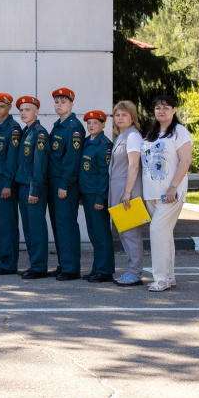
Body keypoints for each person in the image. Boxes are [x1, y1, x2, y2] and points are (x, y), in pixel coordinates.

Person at [140, 95, 193, 292]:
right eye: (157, 108)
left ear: (174, 110)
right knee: (165, 234)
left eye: (165, 107)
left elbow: (185, 161)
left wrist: (173, 187)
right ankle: (169, 277)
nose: (161, 111)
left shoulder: (179, 131)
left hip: (170, 192)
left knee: (156, 231)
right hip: (151, 193)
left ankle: (160, 279)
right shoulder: (151, 134)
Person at [47, 87, 85, 281]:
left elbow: (71, 159)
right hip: (54, 182)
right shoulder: (59, 125)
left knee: (67, 225)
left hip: (65, 183)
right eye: (56, 102)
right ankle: (64, 264)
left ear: (71, 104)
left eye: (63, 102)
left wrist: (64, 184)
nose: (59, 105)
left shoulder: (74, 127)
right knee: (58, 225)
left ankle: (71, 268)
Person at [109, 100, 145, 287]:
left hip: (127, 192)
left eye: (124, 114)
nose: (120, 118)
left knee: (131, 233)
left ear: (132, 117)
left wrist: (127, 192)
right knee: (124, 233)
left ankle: (135, 273)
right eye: (117, 115)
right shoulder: (122, 136)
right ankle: (132, 270)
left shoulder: (132, 137)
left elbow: (134, 165)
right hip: (119, 192)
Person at [14, 96, 50, 279]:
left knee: (36, 227)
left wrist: (34, 190)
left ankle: (39, 266)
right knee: (28, 227)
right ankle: (34, 263)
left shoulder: (39, 133)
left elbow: (39, 165)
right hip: (22, 186)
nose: (23, 113)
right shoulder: (25, 131)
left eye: (27, 110)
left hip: (32, 188)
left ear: (36, 112)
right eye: (21, 110)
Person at [0, 93, 22, 275]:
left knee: (7, 222)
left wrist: (7, 184)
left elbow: (11, 159)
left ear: (9, 107)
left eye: (1, 106)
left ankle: (9, 263)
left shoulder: (13, 128)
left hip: (5, 181)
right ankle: (3, 260)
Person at [79, 110, 115, 282]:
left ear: (103, 125)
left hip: (96, 196)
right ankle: (97, 268)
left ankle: (105, 270)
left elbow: (104, 174)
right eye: (89, 123)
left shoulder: (104, 145)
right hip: (87, 194)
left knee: (101, 233)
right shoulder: (87, 142)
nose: (91, 126)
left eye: (95, 123)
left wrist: (101, 198)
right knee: (93, 233)